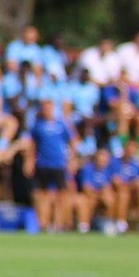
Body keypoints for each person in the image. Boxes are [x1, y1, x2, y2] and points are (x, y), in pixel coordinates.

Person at [17, 99, 78, 232]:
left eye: (49, 108)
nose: (47, 111)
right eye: (44, 108)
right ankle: (43, 224)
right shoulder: (38, 125)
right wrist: (29, 161)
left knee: (61, 194)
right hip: (43, 163)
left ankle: (58, 223)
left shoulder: (61, 124)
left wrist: (72, 159)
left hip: (59, 163)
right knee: (41, 194)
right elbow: (32, 145)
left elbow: (73, 141)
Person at [72, 145, 116, 235]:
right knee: (88, 200)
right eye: (101, 157)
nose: (103, 161)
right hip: (85, 195)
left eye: (105, 158)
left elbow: (108, 186)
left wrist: (104, 194)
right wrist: (99, 194)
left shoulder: (108, 170)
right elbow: (86, 188)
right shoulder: (88, 169)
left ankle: (109, 223)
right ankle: (85, 225)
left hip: (100, 195)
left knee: (110, 198)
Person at [112, 140, 139, 235]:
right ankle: (121, 222)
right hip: (117, 191)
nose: (131, 151)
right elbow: (116, 181)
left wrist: (131, 185)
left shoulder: (136, 164)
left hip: (132, 191)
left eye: (133, 149)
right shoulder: (115, 162)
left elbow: (138, 181)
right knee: (123, 193)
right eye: (129, 148)